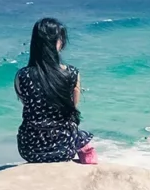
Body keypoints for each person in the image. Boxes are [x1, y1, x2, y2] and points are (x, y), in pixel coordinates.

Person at [14, 18, 97, 164]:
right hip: (64, 149)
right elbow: (72, 108)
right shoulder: (72, 73)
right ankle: (89, 157)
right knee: (78, 132)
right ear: (58, 43)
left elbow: (29, 104)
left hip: (29, 150)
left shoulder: (22, 76)